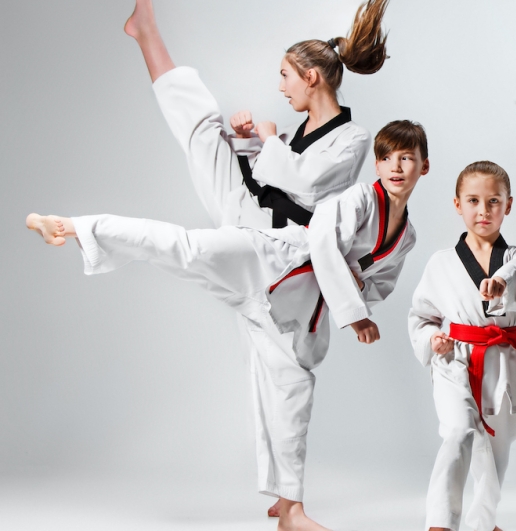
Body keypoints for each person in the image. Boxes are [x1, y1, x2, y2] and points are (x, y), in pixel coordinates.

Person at [26, 120, 430, 531]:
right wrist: (355, 311)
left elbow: (380, 284)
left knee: (294, 394)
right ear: (376, 165)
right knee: (186, 248)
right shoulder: (360, 197)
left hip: (296, 311)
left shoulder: (407, 235)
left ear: (424, 167)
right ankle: (73, 225)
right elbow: (323, 241)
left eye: (406, 159)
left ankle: (290, 509)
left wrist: (358, 295)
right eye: (385, 158)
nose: (395, 167)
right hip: (267, 261)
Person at [124, 0, 390, 518]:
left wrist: (267, 142)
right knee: (204, 130)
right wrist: (249, 139)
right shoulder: (296, 135)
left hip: (276, 245)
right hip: (249, 210)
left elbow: (307, 184)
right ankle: (146, 35)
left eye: (286, 76)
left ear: (312, 77)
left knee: (283, 374)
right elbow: (276, 171)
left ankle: (286, 500)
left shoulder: (353, 138)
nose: (281, 85)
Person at [408, 162, 516, 531]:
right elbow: (422, 316)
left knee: (497, 450)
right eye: (473, 201)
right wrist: (430, 338)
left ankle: (484, 523)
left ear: (508, 205)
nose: (483, 210)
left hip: (502, 362)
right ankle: (440, 522)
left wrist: (498, 282)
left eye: (493, 201)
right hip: (454, 360)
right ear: (457, 204)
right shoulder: (441, 263)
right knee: (459, 430)